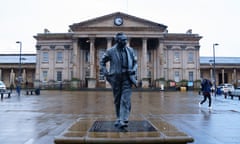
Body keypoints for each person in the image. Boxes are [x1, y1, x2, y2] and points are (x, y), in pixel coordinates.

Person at [100, 32, 137, 129]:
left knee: (126, 99)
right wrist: (106, 73)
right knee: (117, 100)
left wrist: (133, 69)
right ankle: (119, 118)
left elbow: (135, 62)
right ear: (118, 41)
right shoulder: (110, 51)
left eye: (126, 39)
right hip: (115, 78)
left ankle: (123, 120)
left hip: (127, 78)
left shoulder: (130, 50)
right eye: (123, 40)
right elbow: (102, 62)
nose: (126, 41)